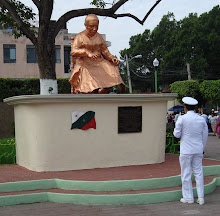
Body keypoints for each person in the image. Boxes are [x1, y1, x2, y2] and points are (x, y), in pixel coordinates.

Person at [69, 14, 125, 94]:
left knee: (109, 65)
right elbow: (73, 52)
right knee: (86, 70)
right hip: (84, 62)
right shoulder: (80, 36)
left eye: (96, 26)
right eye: (92, 26)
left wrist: (112, 58)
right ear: (86, 25)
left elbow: (105, 52)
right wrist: (86, 53)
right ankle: (92, 90)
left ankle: (107, 88)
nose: (94, 29)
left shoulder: (99, 37)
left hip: (97, 62)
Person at [173, 97, 208, 205]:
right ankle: (201, 197)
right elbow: (205, 135)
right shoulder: (201, 119)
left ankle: (188, 198)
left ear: (185, 108)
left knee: (186, 173)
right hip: (198, 149)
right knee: (199, 173)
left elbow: (177, 134)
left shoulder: (182, 119)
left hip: (186, 150)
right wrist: (201, 148)